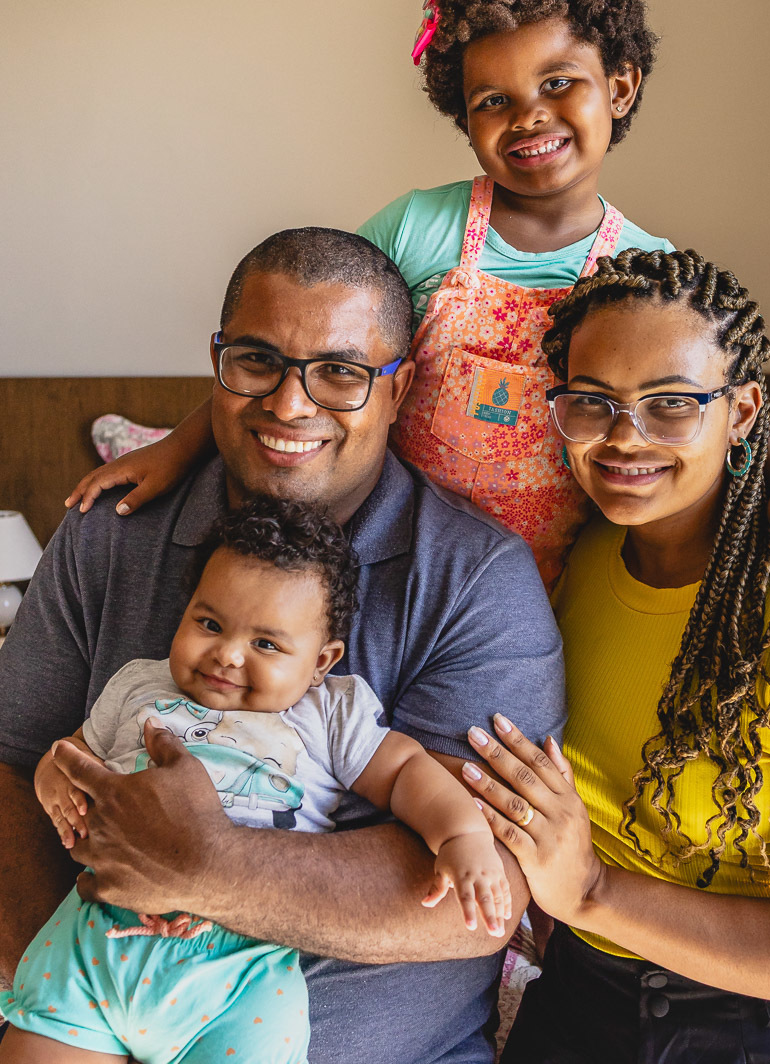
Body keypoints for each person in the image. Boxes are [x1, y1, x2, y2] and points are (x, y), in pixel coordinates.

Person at [63, 0, 770, 589]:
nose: (529, 116)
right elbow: (296, 351)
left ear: (619, 87)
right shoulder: (418, 229)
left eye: (558, 83)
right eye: (492, 101)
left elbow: (728, 394)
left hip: (550, 576)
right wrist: (176, 450)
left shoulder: (640, 269)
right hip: (379, 550)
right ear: (461, 116)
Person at [0, 227, 567, 1064]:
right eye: (257, 362)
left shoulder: (476, 580)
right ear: (217, 365)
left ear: (396, 387)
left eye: (339, 372)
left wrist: (204, 865)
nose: (290, 405)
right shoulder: (110, 536)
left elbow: (476, 900)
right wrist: (52, 991)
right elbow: (14, 763)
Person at [458, 248, 770, 1062]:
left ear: (742, 414)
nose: (622, 440)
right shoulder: (574, 559)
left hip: (726, 1027)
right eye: (592, 402)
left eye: (670, 404)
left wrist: (592, 893)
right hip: (563, 1000)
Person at [3, 496, 510, 1063]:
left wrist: (463, 838)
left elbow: (409, 773)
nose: (227, 655)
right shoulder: (137, 686)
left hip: (240, 978)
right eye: (209, 623)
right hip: (93, 942)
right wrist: (53, 779)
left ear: (321, 661)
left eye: (266, 643)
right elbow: (72, 752)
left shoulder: (326, 715)